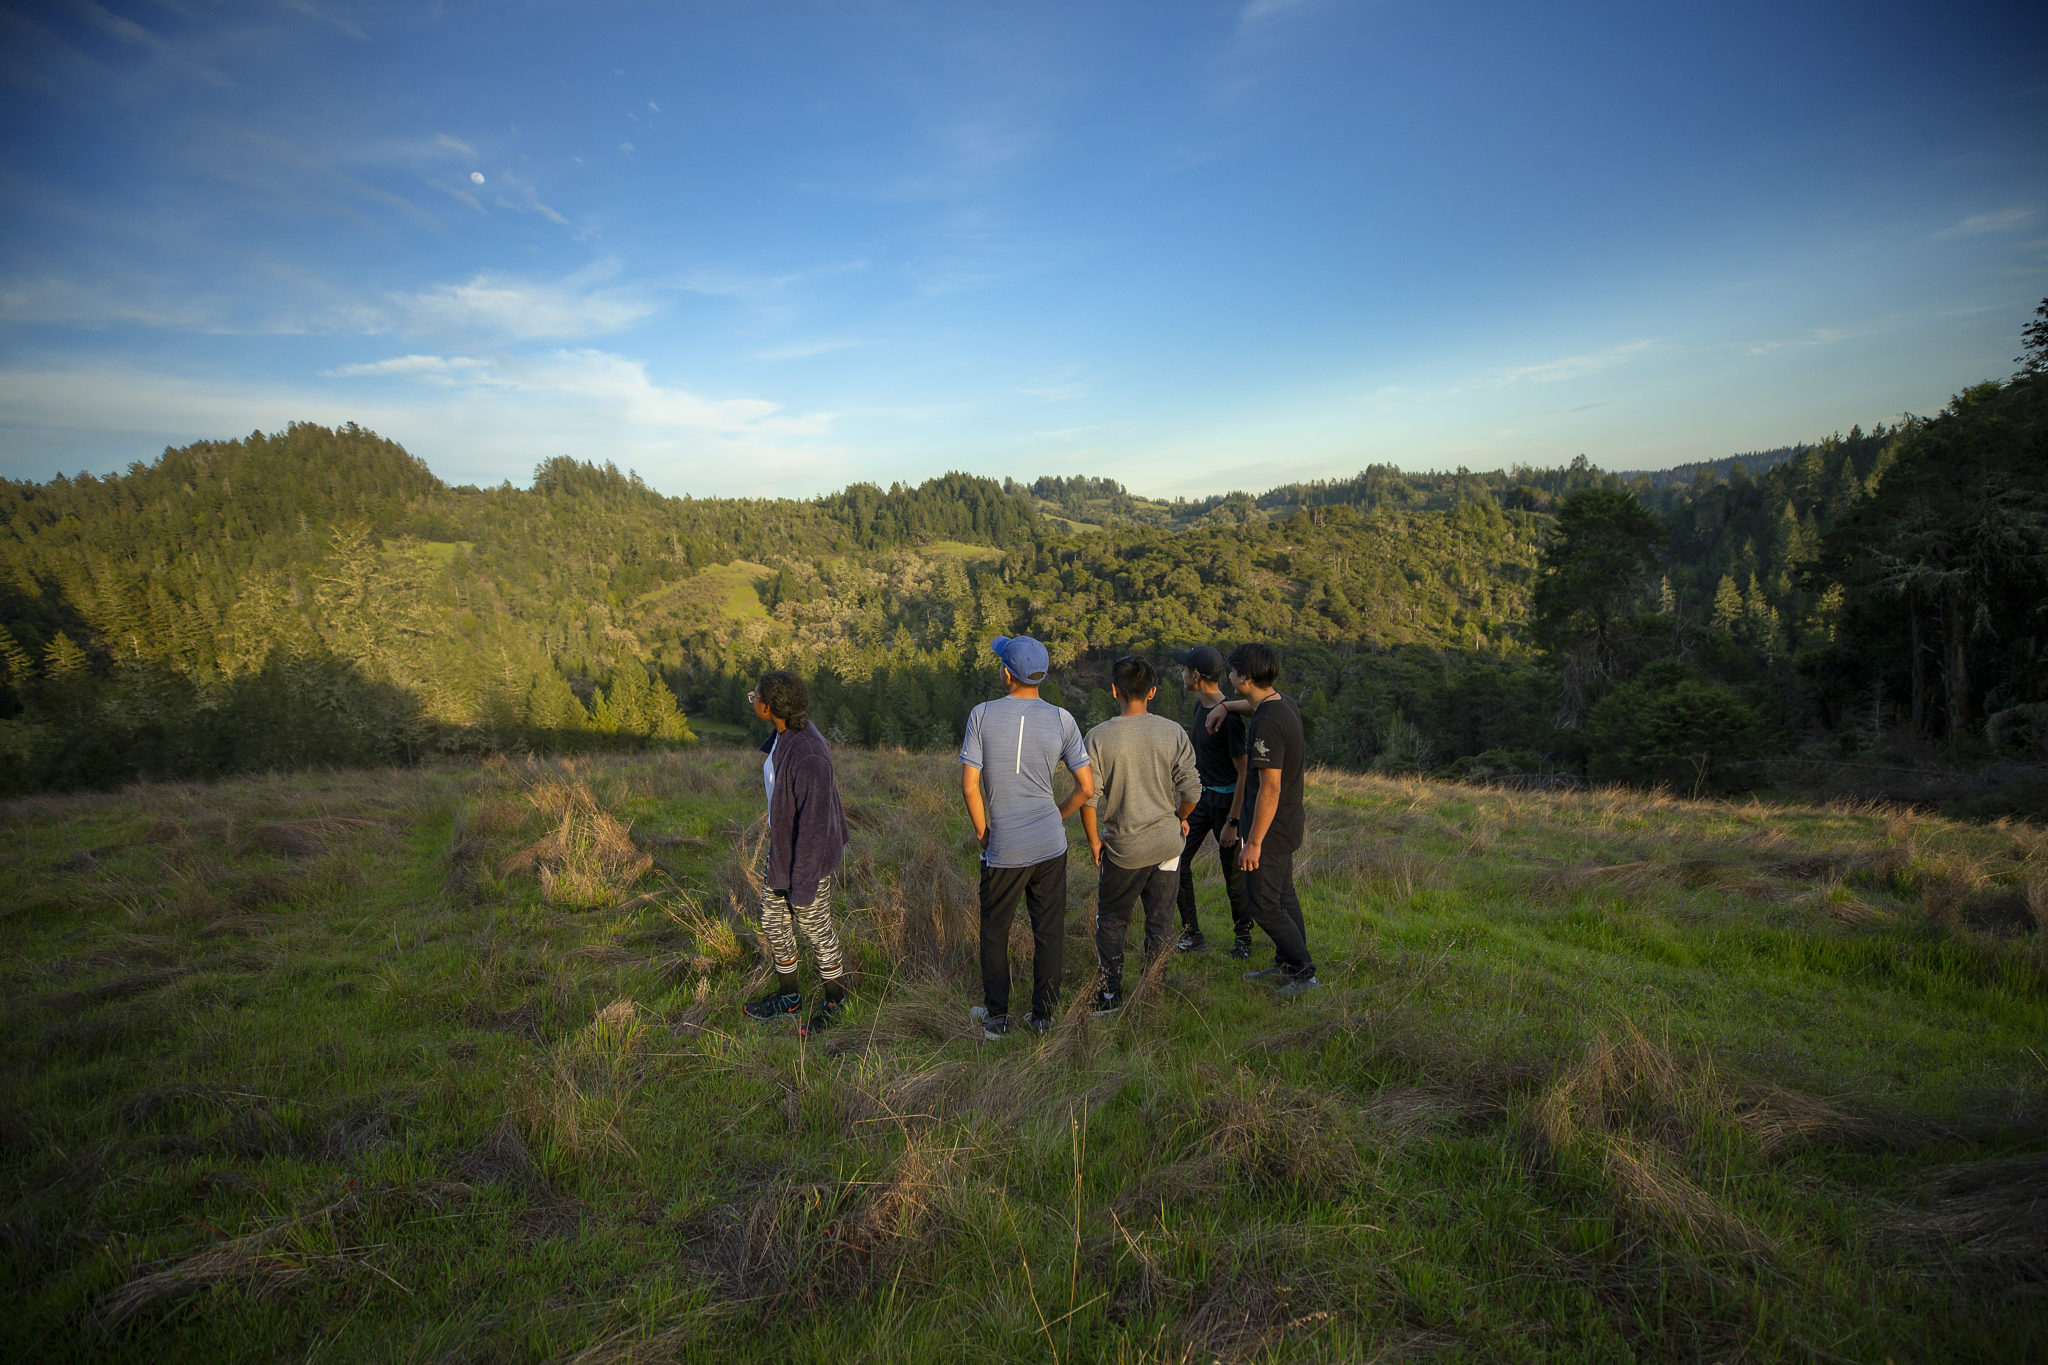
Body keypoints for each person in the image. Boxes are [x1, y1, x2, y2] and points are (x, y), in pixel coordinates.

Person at [959, 636, 1095, 1039]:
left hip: (1004, 845)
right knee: (1049, 930)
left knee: (995, 930)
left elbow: (970, 786)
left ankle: (997, 1018)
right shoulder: (1062, 719)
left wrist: (984, 832)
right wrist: (1057, 813)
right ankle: (1043, 1018)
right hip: (1050, 844)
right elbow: (1086, 787)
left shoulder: (981, 715)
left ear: (1006, 673)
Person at [1080, 655, 1201, 1015]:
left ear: (1114, 690)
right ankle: (1153, 990)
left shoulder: (1099, 737)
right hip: (1167, 846)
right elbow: (1193, 791)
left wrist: (1094, 842)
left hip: (1124, 849)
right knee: (1161, 920)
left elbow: (1089, 800)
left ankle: (1109, 995)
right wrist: (1179, 819)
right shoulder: (1173, 731)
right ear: (1152, 691)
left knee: (1113, 921)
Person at [741, 670, 853, 1036]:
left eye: (754, 695)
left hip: (808, 858)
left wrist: (802, 886)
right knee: (774, 922)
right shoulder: (783, 734)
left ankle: (836, 999)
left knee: (814, 926)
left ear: (769, 707)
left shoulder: (810, 754)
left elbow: (815, 828)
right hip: (783, 850)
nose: (752, 698)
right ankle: (790, 999)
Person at [1227, 643, 1319, 995]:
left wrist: (1253, 843)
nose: (1229, 677)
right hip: (1288, 822)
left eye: (1233, 673)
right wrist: (1224, 706)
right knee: (1283, 895)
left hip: (1271, 829)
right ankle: (1288, 962)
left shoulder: (1267, 724)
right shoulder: (1280, 704)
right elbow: (1252, 706)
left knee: (1263, 905)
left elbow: (1270, 788)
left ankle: (1305, 973)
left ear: (1245, 678)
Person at [1169, 645, 1251, 958]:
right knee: (1176, 860)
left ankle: (1243, 937)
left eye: (1185, 670)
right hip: (1202, 800)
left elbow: (1242, 774)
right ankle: (1192, 934)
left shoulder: (1229, 718)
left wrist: (1232, 822)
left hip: (1229, 804)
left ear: (1197, 676)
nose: (1182, 674)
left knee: (1233, 875)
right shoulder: (1201, 709)